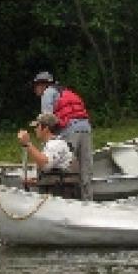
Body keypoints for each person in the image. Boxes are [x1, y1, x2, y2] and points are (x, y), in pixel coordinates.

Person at [31, 71, 93, 199]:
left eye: (36, 85)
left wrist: (45, 147)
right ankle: (87, 201)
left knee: (64, 166)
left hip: (70, 131)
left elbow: (46, 121)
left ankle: (63, 197)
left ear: (42, 85)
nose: (35, 89)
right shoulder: (66, 91)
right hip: (86, 130)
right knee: (85, 170)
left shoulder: (47, 93)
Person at [17, 113, 77, 198]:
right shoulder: (53, 144)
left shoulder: (56, 144)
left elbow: (45, 164)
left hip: (60, 195)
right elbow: (53, 172)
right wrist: (36, 181)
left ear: (46, 128)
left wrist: (27, 144)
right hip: (57, 190)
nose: (35, 129)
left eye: (37, 126)